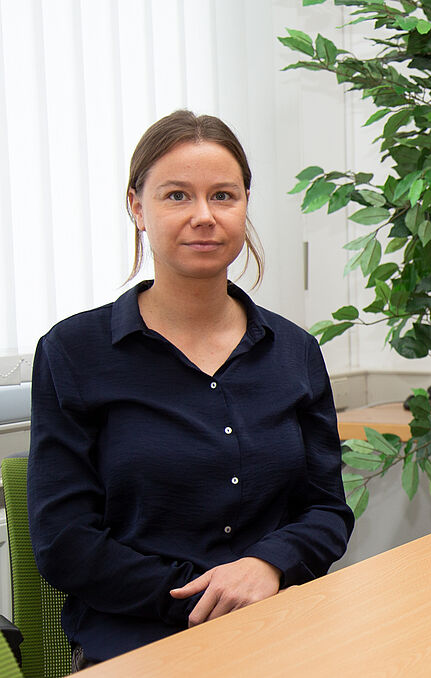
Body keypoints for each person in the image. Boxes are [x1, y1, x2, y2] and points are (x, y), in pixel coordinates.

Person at [27, 110, 355, 668]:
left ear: (245, 204)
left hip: (281, 622)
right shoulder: (74, 351)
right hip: (140, 633)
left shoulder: (295, 351)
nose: (204, 216)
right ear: (137, 206)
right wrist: (202, 595)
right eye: (177, 196)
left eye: (223, 196)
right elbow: (64, 540)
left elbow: (326, 511)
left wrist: (268, 566)